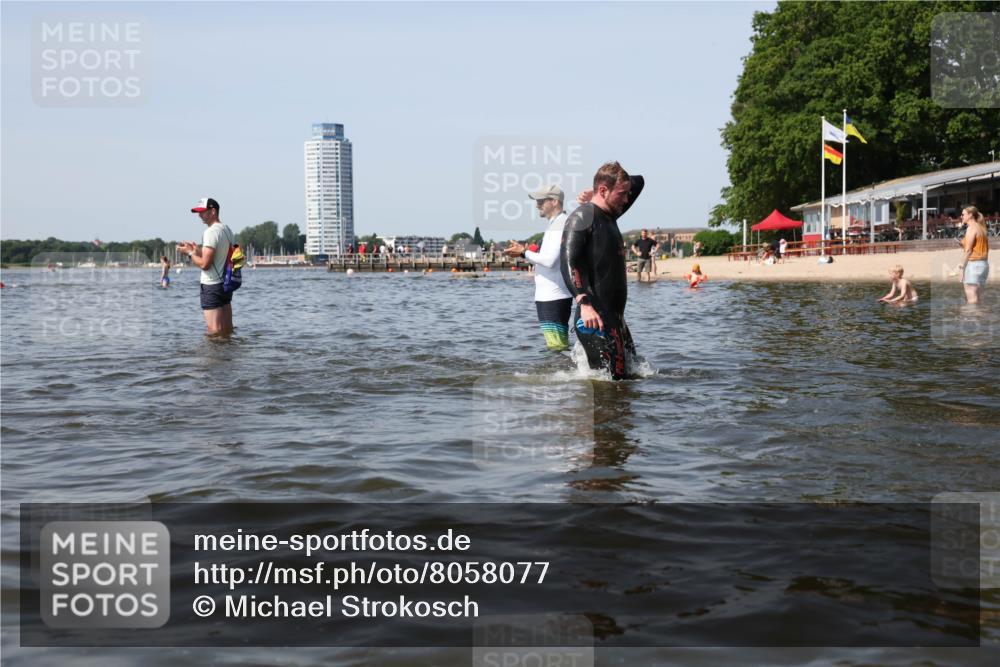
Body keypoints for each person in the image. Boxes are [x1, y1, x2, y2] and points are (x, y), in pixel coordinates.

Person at [561, 161, 644, 380]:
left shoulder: (611, 213)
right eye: (622, 194)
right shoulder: (582, 217)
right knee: (609, 385)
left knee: (630, 378)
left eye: (627, 193)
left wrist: (598, 190)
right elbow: (569, 263)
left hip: (616, 318)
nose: (627, 199)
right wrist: (584, 303)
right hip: (594, 317)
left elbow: (640, 181)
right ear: (604, 191)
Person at [505, 185, 574, 351]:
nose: (537, 205)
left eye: (541, 201)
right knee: (556, 345)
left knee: (557, 347)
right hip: (550, 296)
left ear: (555, 201)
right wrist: (524, 251)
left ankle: (562, 375)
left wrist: (523, 252)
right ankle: (560, 373)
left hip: (554, 296)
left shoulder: (560, 224)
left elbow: (550, 261)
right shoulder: (555, 223)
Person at [177, 197, 235, 336]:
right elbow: (219, 255)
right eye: (198, 212)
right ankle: (228, 356)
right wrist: (197, 250)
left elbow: (205, 264)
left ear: (213, 211)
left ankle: (213, 357)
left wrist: (189, 253)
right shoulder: (227, 230)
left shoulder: (210, 232)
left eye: (203, 212)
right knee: (227, 330)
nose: (199, 215)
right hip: (226, 284)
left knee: (214, 331)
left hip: (212, 286)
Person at [957, 206, 989, 304]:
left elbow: (968, 251)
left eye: (963, 214)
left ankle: (971, 319)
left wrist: (961, 268)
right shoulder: (982, 228)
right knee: (978, 300)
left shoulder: (971, 228)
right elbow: (972, 246)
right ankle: (983, 319)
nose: (961, 216)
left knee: (971, 301)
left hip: (974, 265)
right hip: (984, 265)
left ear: (970, 215)